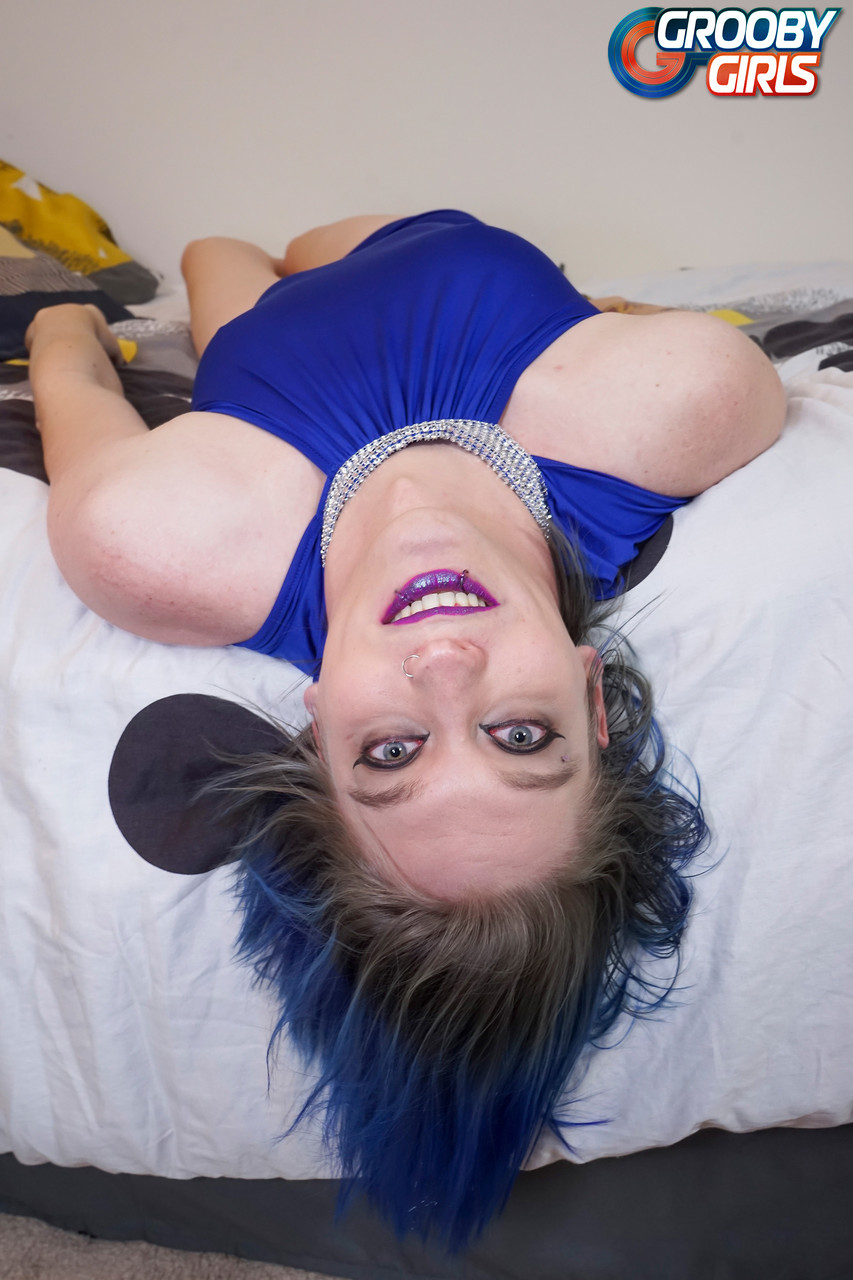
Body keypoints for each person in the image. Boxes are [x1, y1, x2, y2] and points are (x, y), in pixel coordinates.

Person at [26, 211, 786, 1247]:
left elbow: (69, 372)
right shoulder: (686, 402)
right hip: (416, 239)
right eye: (520, 736)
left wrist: (65, 320)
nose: (444, 664)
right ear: (590, 696)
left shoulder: (157, 542)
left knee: (216, 256)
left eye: (391, 752)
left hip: (254, 372)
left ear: (316, 734)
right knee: (303, 240)